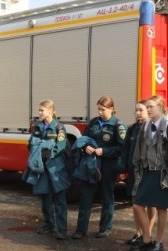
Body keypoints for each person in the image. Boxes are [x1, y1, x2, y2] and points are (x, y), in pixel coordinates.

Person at [72, 96, 126, 239]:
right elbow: (83, 139)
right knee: (86, 196)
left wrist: (104, 151)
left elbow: (121, 148)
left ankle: (105, 228)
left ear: (111, 109)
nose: (100, 112)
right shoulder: (94, 122)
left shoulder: (118, 125)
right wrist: (85, 148)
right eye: (99, 109)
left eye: (103, 109)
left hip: (108, 164)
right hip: (91, 164)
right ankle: (80, 229)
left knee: (106, 196)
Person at [132, 95, 168, 251]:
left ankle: (158, 242)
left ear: (161, 107)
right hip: (147, 171)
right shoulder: (145, 126)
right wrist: (137, 170)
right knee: (138, 205)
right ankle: (146, 239)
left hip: (161, 172)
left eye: (152, 107)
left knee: (161, 208)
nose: (149, 109)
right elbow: (138, 150)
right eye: (148, 107)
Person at [25, 100, 70, 240]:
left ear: (50, 111)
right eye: (39, 110)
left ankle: (62, 229)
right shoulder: (37, 127)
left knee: (59, 198)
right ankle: (49, 224)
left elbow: (60, 146)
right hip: (42, 167)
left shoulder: (59, 128)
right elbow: (30, 144)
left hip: (56, 167)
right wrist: (43, 147)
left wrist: (46, 151)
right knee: (44, 196)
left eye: (42, 110)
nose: (39, 113)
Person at [122, 101, 156, 248]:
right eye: (136, 110)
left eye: (140, 110)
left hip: (147, 171)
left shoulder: (152, 128)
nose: (137, 113)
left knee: (149, 204)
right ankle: (138, 233)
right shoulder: (133, 128)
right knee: (135, 203)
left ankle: (147, 233)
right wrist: (123, 168)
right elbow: (126, 149)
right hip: (134, 171)